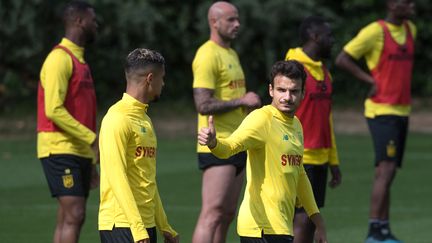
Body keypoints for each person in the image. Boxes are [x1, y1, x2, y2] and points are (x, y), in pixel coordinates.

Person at [198, 60, 328, 243]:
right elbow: (230, 148)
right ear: (271, 91)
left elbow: (299, 174)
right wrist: (213, 143)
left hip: (280, 226)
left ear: (303, 93)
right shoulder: (261, 119)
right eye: (282, 90)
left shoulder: (296, 125)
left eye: (294, 91)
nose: (287, 97)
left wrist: (317, 220)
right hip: (260, 228)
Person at [335, 1, 416, 242]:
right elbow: (343, 58)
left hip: (402, 110)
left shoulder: (411, 29)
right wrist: (370, 81)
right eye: (407, 1)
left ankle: (384, 230)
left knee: (388, 172)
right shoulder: (375, 31)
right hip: (382, 111)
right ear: (392, 4)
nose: (412, 5)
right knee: (386, 169)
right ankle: (373, 232)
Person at [191, 1, 261, 243]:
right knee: (212, 213)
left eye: (237, 19)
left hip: (237, 142)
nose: (237, 24)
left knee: (227, 214)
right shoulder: (207, 54)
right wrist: (242, 100)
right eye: (231, 20)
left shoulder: (231, 53)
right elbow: (203, 104)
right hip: (215, 142)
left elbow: (231, 98)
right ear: (214, 22)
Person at [98, 48, 179, 243]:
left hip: (144, 225)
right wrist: (137, 228)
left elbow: (147, 180)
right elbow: (117, 176)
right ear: (150, 78)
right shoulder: (117, 119)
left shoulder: (145, 120)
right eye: (162, 78)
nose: (164, 83)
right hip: (122, 225)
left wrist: (164, 225)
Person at [37, 1, 99, 243]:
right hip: (59, 147)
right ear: (79, 21)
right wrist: (92, 139)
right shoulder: (58, 59)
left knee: (69, 217)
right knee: (75, 213)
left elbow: (82, 112)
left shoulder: (81, 61)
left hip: (78, 150)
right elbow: (54, 109)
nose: (96, 25)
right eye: (93, 20)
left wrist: (90, 156)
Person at [285, 16, 342, 243]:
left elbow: (326, 120)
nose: (332, 41)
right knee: (301, 218)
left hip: (320, 158)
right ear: (314, 36)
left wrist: (333, 161)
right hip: (298, 155)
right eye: (328, 36)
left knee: (310, 219)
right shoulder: (293, 68)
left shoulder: (325, 73)